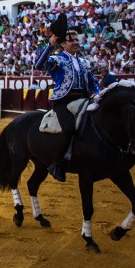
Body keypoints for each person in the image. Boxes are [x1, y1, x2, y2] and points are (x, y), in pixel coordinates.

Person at [34, 14, 99, 182]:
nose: (76, 42)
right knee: (69, 128)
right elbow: (38, 66)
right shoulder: (58, 59)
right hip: (64, 101)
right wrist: (50, 45)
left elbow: (93, 83)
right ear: (63, 44)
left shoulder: (85, 62)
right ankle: (56, 164)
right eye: (72, 41)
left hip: (84, 100)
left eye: (77, 40)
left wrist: (96, 94)